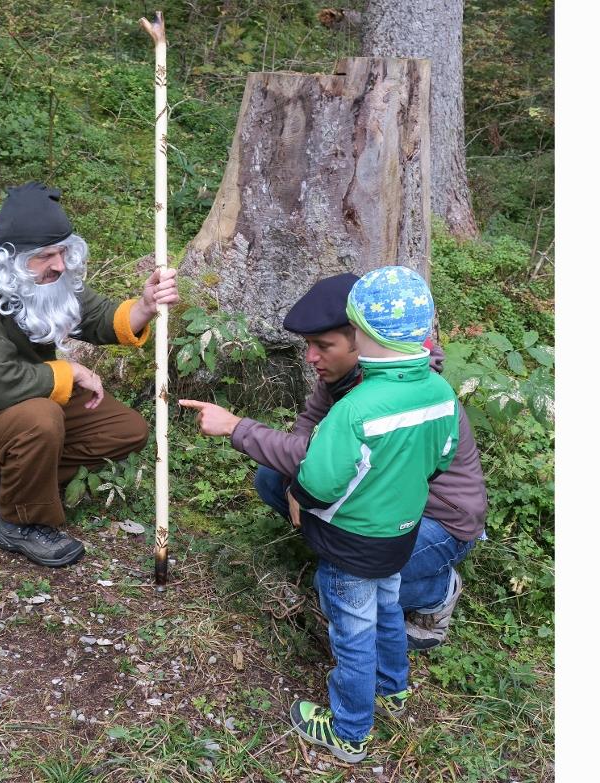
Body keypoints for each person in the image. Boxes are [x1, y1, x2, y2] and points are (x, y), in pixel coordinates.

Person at [179, 273, 487, 650]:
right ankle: (345, 561)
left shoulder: (398, 392)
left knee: (339, 590)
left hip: (437, 521)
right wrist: (296, 475)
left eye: (323, 345)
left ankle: (435, 591)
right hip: (375, 501)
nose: (310, 357)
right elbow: (310, 426)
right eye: (309, 345)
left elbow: (315, 456)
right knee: (272, 477)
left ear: (360, 340)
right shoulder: (344, 374)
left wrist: (236, 427)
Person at [0, 182, 177, 568]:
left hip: (14, 405)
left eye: (63, 252)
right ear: (11, 258)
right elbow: (1, 384)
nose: (59, 265)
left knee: (125, 429)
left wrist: (145, 306)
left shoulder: (42, 277)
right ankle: (21, 521)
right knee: (41, 416)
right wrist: (69, 370)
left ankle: (10, 479)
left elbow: (95, 315)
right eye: (47, 256)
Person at [285, 265, 459, 762]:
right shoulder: (439, 393)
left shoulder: (354, 409)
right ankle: (394, 686)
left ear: (364, 335)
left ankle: (350, 729)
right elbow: (442, 458)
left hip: (351, 544)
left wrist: (300, 487)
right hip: (400, 534)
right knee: (387, 607)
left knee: (352, 632)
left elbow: (319, 481)